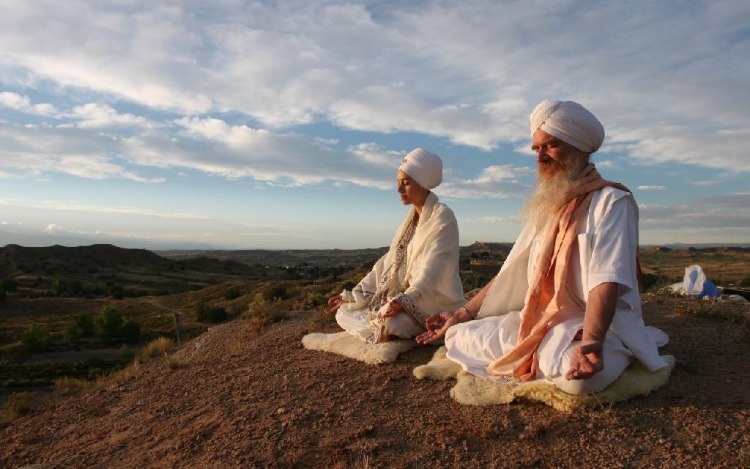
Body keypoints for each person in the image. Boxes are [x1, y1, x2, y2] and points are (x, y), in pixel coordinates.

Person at [416, 101, 669, 395]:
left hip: (596, 326)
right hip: (540, 320)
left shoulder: (611, 203)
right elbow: (516, 270)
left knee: (580, 380)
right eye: (536, 149)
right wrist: (463, 314)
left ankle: (603, 353)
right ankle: (548, 354)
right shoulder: (550, 205)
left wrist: (592, 341)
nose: (541, 158)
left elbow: (606, 279)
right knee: (458, 335)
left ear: (578, 147)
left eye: (551, 146)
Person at [326, 148, 465, 344]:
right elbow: (388, 262)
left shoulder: (442, 216)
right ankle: (381, 328)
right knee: (344, 312)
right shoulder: (408, 223)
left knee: (394, 324)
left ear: (423, 183)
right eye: (398, 183)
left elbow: (435, 267)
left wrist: (407, 300)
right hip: (402, 297)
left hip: (432, 300)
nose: (399, 190)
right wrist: (354, 294)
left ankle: (386, 328)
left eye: (406, 183)